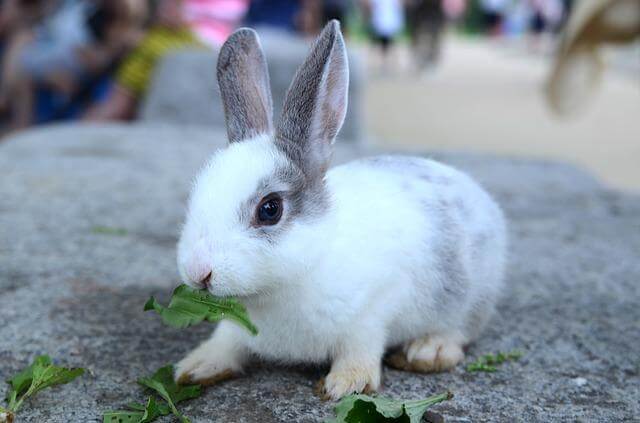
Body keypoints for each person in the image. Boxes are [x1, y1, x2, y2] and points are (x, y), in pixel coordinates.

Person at [85, 0, 204, 121]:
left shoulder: (192, 40)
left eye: (173, 6)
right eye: (165, 6)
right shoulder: (149, 37)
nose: (166, 10)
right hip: (121, 81)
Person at [405, 0, 446, 69]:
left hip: (433, 14)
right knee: (418, 38)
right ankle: (419, 58)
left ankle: (431, 59)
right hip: (420, 14)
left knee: (433, 39)